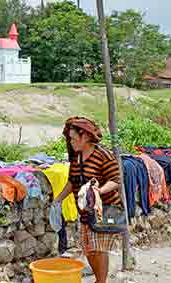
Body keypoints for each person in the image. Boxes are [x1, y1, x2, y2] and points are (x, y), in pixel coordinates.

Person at [54, 117, 121, 283]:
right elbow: (72, 181)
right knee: (89, 249)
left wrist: (98, 190)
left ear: (85, 136)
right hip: (84, 212)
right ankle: (100, 280)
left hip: (104, 209)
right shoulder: (76, 158)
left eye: (73, 138)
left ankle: (101, 281)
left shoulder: (103, 155)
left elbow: (116, 180)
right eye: (69, 139)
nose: (71, 142)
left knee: (98, 249)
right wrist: (58, 200)